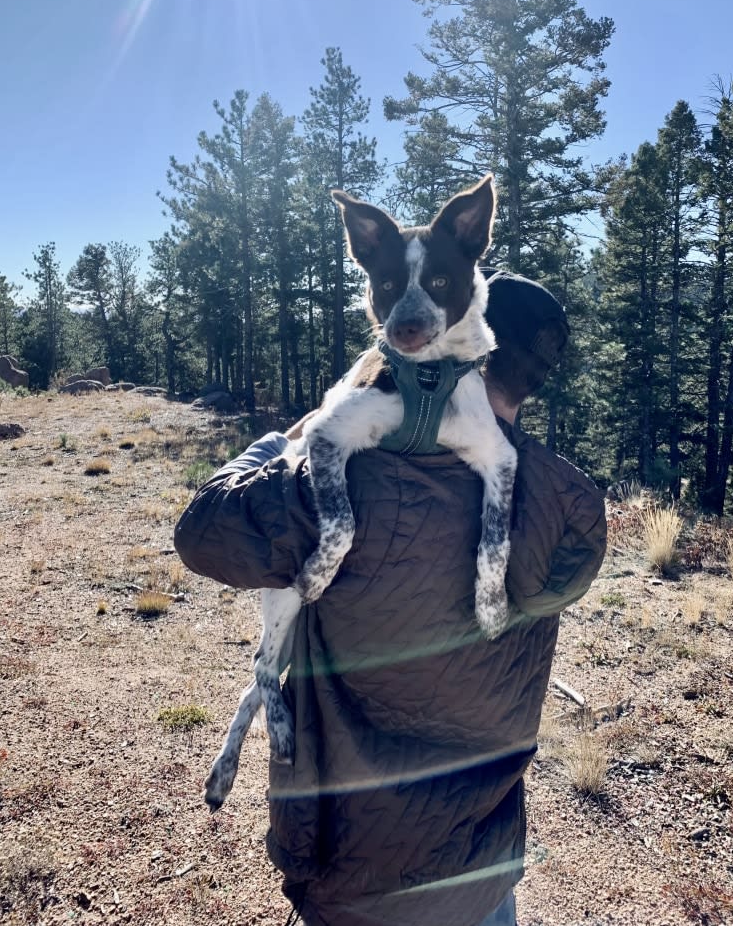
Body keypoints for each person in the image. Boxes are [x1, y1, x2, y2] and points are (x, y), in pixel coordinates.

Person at [174, 271, 607, 926]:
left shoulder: (352, 475)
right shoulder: (561, 506)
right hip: (482, 872)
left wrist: (276, 444)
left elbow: (202, 529)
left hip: (359, 881)